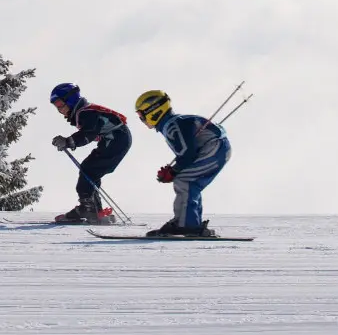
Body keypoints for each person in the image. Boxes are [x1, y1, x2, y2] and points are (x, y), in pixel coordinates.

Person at [134, 89, 231, 238]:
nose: (142, 120)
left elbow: (187, 153)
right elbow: (187, 153)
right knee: (189, 181)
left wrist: (174, 171)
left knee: (185, 180)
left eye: (141, 115)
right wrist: (175, 170)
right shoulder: (173, 123)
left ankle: (187, 225)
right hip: (217, 149)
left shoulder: (173, 125)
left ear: (153, 111)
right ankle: (187, 222)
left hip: (214, 148)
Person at [49, 82, 132, 224]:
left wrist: (68, 141)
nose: (59, 110)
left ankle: (89, 209)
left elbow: (89, 133)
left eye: (59, 104)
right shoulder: (85, 112)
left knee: (89, 169)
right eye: (56, 107)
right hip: (115, 139)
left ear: (70, 100)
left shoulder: (86, 112)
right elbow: (91, 132)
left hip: (117, 139)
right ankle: (94, 209)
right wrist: (69, 141)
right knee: (90, 170)